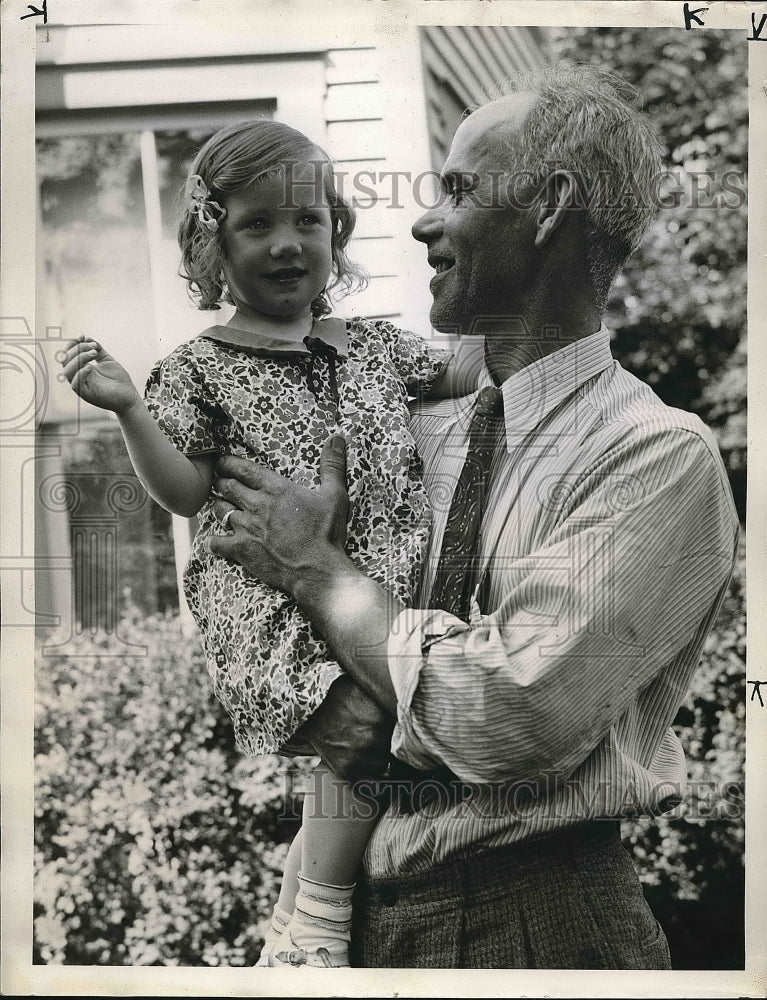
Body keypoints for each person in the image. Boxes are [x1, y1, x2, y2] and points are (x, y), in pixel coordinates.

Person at [208, 66, 740, 969]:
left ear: (547, 208)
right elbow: (286, 625)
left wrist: (320, 576)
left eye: (457, 190)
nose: (421, 222)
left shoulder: (653, 455)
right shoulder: (406, 421)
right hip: (355, 919)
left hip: (533, 929)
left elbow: (505, 714)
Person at [59, 119, 479, 969]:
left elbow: (463, 372)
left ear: (336, 232)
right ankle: (318, 926)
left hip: (360, 584)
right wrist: (128, 408)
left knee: (372, 744)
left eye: (308, 223)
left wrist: (509, 299)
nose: (287, 245)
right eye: (257, 226)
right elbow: (182, 492)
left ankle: (288, 929)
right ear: (213, 242)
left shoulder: (370, 347)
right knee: (363, 725)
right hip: (270, 599)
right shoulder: (201, 366)